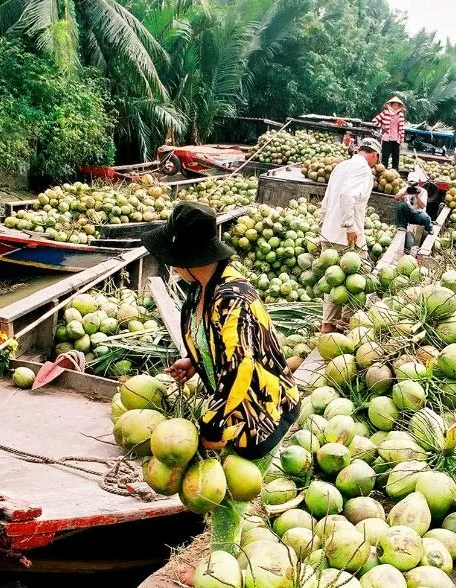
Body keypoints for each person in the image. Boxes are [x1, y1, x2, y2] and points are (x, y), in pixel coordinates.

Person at [141, 202, 300, 563]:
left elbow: (240, 369)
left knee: (228, 496)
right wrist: (194, 363)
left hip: (261, 409)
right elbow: (218, 347)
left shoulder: (233, 300)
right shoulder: (200, 290)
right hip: (231, 404)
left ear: (186, 257)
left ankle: (220, 567)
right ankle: (224, 556)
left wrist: (212, 427)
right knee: (224, 487)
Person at [318, 137, 381, 333]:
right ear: (373, 154)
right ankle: (347, 321)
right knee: (358, 278)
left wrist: (322, 223)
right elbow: (347, 196)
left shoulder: (341, 166)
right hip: (346, 235)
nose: (376, 164)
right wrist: (350, 226)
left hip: (329, 232)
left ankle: (328, 324)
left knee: (334, 281)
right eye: (377, 160)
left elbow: (327, 198)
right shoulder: (363, 169)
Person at [395, 171, 434, 255]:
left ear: (418, 183)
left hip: (418, 214)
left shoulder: (423, 191)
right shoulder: (406, 189)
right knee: (400, 206)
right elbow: (396, 198)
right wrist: (404, 193)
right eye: (410, 184)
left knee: (426, 219)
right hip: (409, 213)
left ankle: (429, 228)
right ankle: (402, 226)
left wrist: (417, 195)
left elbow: (422, 206)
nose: (412, 186)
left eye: (414, 184)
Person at [371, 96, 406, 170]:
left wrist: (402, 140)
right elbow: (374, 120)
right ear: (390, 105)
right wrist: (382, 126)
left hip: (396, 139)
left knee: (396, 156)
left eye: (397, 105)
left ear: (399, 106)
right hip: (387, 138)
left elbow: (402, 128)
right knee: (385, 156)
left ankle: (395, 172)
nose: (395, 107)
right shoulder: (385, 113)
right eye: (394, 105)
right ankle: (383, 171)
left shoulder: (401, 115)